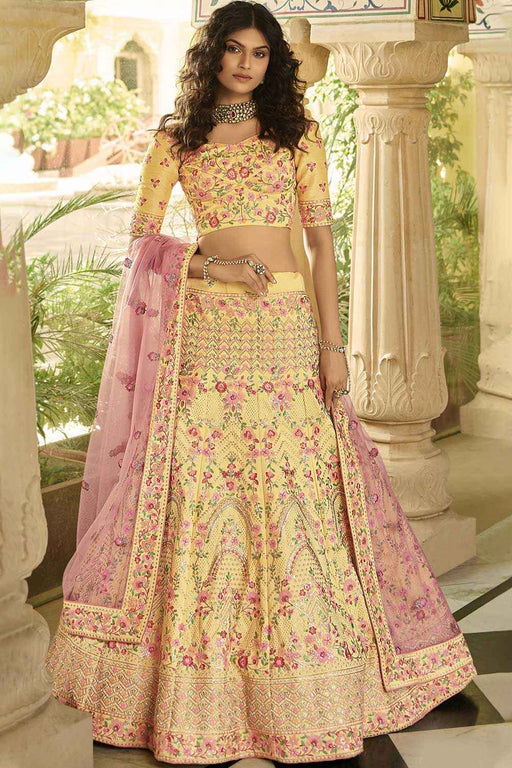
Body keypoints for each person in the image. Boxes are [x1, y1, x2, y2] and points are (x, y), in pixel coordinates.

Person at [45, 1, 477, 764]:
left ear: (273, 62)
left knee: (297, 491)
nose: (246, 63)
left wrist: (334, 347)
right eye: (234, 49)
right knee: (203, 493)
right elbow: (143, 243)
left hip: (286, 333)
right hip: (207, 337)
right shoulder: (177, 140)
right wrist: (209, 267)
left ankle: (310, 681)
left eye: (260, 53)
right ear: (211, 54)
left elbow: (321, 246)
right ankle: (200, 689)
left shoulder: (296, 134)